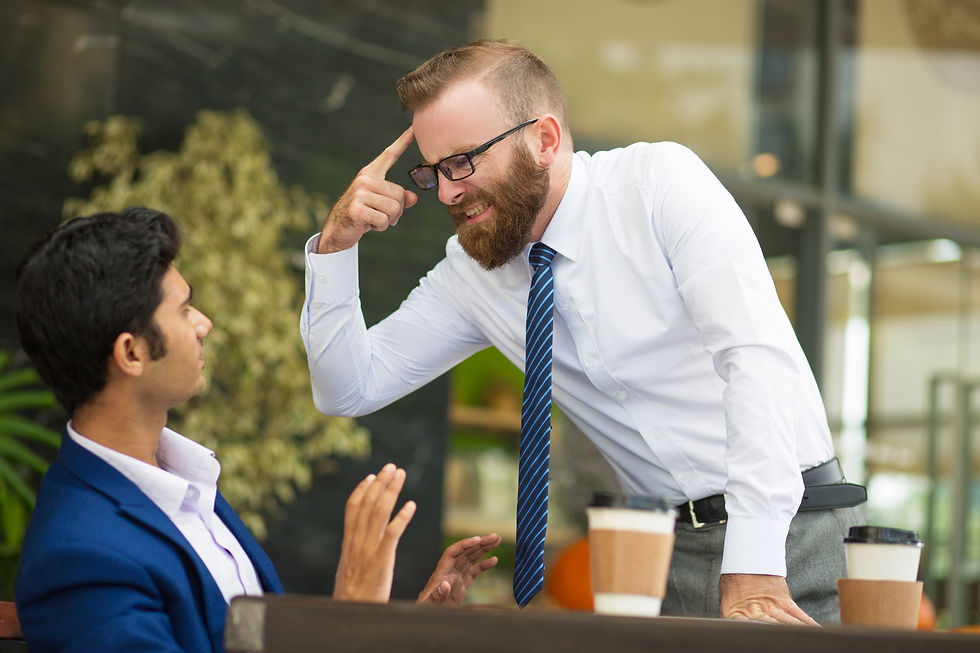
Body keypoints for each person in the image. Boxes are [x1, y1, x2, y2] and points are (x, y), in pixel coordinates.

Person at [300, 39, 866, 624]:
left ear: (544, 139)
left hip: (789, 537)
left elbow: (754, 360)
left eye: (462, 162)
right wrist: (337, 247)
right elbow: (349, 387)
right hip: (658, 562)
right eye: (433, 171)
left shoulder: (657, 186)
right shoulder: (473, 277)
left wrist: (754, 567)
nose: (446, 190)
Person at [14, 207, 500, 653]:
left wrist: (406, 628)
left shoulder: (184, 483)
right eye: (183, 309)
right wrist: (353, 609)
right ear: (132, 354)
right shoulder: (80, 560)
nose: (203, 323)